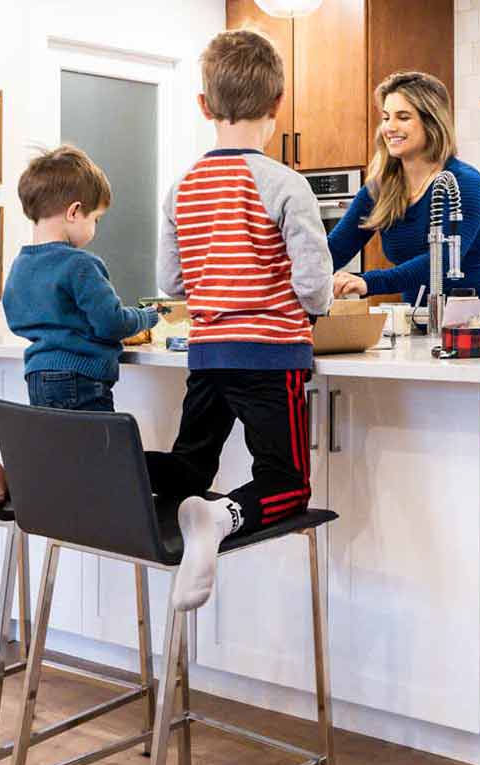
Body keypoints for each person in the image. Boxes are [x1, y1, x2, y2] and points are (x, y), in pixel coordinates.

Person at [147, 29, 333, 611]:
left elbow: (171, 284)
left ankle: (96, 466)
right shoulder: (285, 184)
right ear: (277, 105)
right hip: (269, 358)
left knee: (187, 466)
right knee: (288, 484)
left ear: (204, 106)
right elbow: (313, 286)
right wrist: (317, 304)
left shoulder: (182, 188)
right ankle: (221, 516)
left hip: (208, 356)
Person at [325, 71, 480, 323]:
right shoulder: (380, 188)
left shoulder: (464, 182)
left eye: (403, 117)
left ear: (431, 122)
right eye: (386, 117)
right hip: (427, 315)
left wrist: (367, 282)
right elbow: (333, 251)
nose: (389, 127)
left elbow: (441, 262)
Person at [2, 145, 158, 412]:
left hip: (37, 376)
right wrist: (148, 316)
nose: (95, 227)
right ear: (74, 212)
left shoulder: (20, 264)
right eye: (96, 218)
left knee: (61, 451)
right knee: (95, 452)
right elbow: (112, 322)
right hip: (82, 379)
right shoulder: (81, 265)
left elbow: (16, 318)